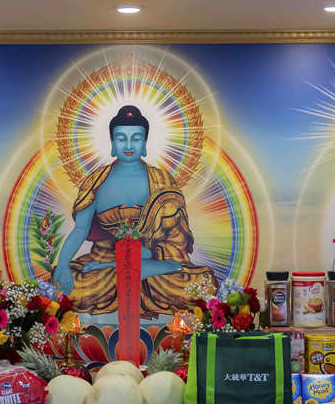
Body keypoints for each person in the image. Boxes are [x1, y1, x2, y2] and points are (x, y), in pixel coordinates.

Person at [51, 105, 215, 315]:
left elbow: (177, 237)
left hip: (153, 260)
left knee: (203, 284)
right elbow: (80, 230)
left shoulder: (162, 180)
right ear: (112, 143)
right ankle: (119, 270)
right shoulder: (96, 181)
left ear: (145, 143)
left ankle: (128, 270)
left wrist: (145, 257)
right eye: (121, 139)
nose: (129, 145)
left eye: (136, 138)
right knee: (71, 284)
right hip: (104, 260)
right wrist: (63, 264)